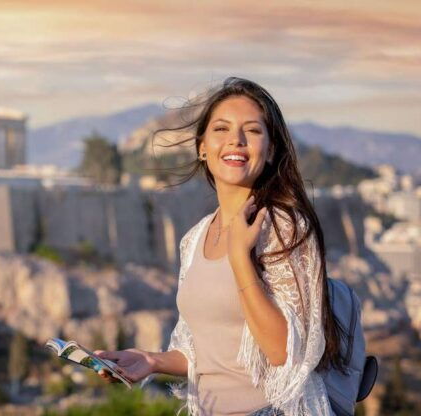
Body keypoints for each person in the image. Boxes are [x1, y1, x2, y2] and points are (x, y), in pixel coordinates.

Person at [93, 77, 347, 415]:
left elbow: (282, 353)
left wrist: (240, 257)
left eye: (253, 131)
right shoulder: (196, 237)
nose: (236, 141)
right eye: (221, 129)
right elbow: (205, 354)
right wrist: (150, 360)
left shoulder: (284, 227)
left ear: (271, 150)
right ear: (201, 146)